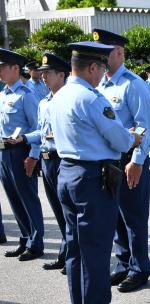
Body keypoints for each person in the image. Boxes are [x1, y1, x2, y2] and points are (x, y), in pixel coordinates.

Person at [49, 41, 142, 304]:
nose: (103, 75)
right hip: (92, 178)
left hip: (67, 173)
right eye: (101, 68)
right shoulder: (91, 98)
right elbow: (119, 140)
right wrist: (132, 138)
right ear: (92, 67)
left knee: (76, 249)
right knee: (96, 249)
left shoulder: (60, 95)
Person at [93, 28, 150, 293]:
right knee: (116, 216)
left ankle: (139, 269)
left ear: (119, 52)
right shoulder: (100, 84)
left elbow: (144, 126)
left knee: (134, 217)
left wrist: (137, 161)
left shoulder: (133, 84)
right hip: (109, 160)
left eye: (105, 53)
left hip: (130, 159)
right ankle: (123, 263)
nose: (101, 59)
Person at [23, 53, 71, 273]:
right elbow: (41, 133)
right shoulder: (44, 102)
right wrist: (24, 138)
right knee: (58, 211)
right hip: (47, 160)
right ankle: (65, 253)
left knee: (68, 212)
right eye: (42, 73)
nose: (43, 77)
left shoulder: (69, 99)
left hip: (63, 159)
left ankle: (72, 256)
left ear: (61, 75)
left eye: (48, 73)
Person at [0, 48, 45, 262]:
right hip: (4, 153)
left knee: (28, 198)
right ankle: (25, 238)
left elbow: (38, 129)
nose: (0, 71)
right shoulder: (3, 94)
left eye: (3, 67)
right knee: (14, 199)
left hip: (20, 152)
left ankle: (36, 243)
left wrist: (33, 156)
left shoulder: (26, 95)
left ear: (15, 68)